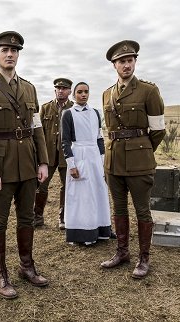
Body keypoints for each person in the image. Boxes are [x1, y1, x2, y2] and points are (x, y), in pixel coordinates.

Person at [0, 31, 49, 299]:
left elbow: (36, 127)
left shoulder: (29, 88)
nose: (10, 54)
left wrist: (43, 161)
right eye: (4, 50)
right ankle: (0, 274)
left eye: (14, 51)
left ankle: (26, 267)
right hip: (0, 167)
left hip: (27, 163)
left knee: (27, 217)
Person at [100, 40, 166, 279]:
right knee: (118, 209)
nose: (126, 65)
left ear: (135, 62)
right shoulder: (107, 93)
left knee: (142, 211)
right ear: (114, 65)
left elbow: (157, 129)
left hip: (139, 162)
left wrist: (143, 151)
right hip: (113, 162)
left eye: (130, 60)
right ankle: (122, 252)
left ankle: (144, 258)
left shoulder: (148, 91)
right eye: (121, 61)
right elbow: (109, 129)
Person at [61, 82, 112, 245]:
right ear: (74, 94)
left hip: (94, 157)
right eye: (80, 92)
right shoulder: (68, 114)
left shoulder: (95, 113)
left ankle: (101, 229)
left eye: (86, 92)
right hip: (79, 155)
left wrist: (102, 161)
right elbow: (65, 142)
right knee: (81, 196)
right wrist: (72, 165)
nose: (83, 95)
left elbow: (99, 138)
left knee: (98, 192)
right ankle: (81, 233)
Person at [34, 78, 73, 229]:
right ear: (55, 90)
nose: (61, 90)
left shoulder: (73, 109)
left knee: (67, 186)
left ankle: (63, 218)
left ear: (69, 91)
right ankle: (37, 217)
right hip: (48, 155)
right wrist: (39, 155)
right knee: (41, 186)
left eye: (64, 88)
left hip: (66, 155)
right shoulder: (45, 108)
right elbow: (39, 131)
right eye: (58, 88)